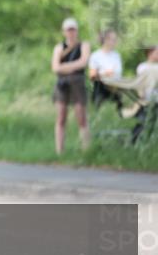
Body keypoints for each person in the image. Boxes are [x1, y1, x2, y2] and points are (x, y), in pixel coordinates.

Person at [51, 17, 91, 155]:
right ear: (64, 31)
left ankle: (86, 149)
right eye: (69, 30)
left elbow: (83, 62)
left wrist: (65, 66)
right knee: (61, 116)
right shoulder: (59, 47)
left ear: (77, 31)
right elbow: (55, 67)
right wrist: (71, 67)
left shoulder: (83, 45)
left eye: (73, 29)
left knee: (81, 115)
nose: (71, 33)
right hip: (62, 83)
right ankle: (59, 151)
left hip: (78, 82)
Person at [89, 29, 123, 109]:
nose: (115, 42)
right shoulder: (95, 55)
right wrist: (105, 73)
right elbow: (92, 76)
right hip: (101, 87)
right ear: (106, 40)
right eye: (113, 39)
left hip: (116, 87)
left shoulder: (117, 55)